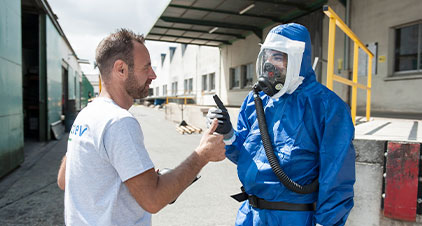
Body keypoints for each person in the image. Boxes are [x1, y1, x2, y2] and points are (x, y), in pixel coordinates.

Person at [57, 29, 226, 226]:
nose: (153, 75)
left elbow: (64, 180)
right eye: (146, 67)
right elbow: (153, 200)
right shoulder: (118, 122)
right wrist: (202, 154)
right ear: (121, 69)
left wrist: (135, 178)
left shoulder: (86, 114)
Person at [207, 23, 355, 226]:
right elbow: (245, 156)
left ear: (297, 59)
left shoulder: (326, 106)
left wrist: (327, 222)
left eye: (277, 57)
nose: (269, 65)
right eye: (267, 57)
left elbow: (337, 172)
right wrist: (228, 133)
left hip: (294, 218)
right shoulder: (255, 101)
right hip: (251, 215)